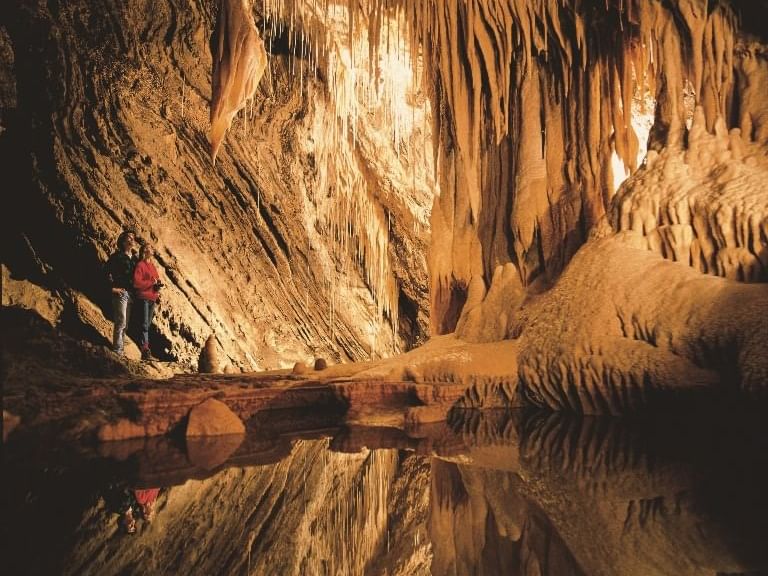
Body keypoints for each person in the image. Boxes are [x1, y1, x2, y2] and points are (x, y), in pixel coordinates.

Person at [106, 230, 138, 355]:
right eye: (129, 238)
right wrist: (112, 288)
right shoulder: (116, 257)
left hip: (131, 294)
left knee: (126, 324)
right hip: (120, 293)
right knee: (121, 321)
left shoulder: (135, 259)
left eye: (133, 238)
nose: (132, 240)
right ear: (123, 241)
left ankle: (121, 349)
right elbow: (105, 273)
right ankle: (117, 350)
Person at [133, 242, 162, 361]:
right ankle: (145, 350)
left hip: (152, 298)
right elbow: (136, 283)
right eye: (150, 248)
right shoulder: (140, 265)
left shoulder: (153, 266)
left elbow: (157, 279)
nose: (152, 250)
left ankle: (144, 348)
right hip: (144, 298)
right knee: (144, 325)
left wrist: (158, 286)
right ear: (144, 251)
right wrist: (152, 283)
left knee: (147, 325)